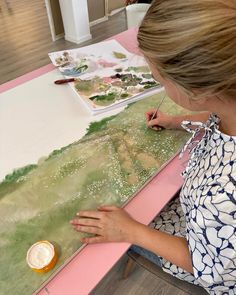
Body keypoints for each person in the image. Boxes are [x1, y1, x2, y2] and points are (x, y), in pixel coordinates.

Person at [70, 0, 236, 293]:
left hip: (203, 255)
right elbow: (220, 111)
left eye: (162, 81)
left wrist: (130, 231)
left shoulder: (223, 195)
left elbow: (209, 268)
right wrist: (178, 120)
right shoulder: (226, 102)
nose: (161, 89)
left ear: (199, 91)